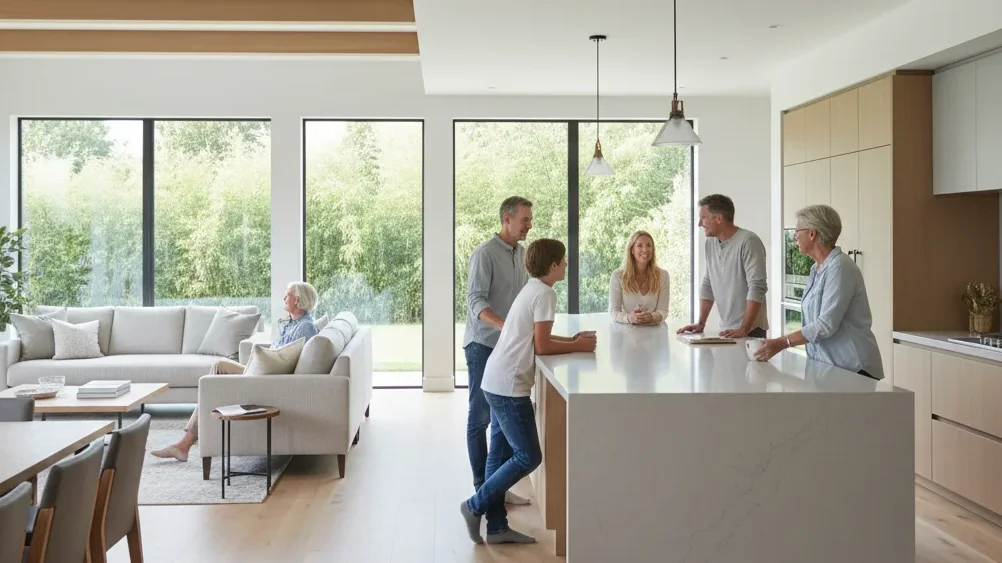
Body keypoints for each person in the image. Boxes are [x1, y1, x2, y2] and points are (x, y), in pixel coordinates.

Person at [459, 238, 597, 545]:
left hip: (496, 381)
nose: (565, 266)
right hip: (508, 386)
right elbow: (542, 345)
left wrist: (571, 339)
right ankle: (474, 506)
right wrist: (577, 345)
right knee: (528, 456)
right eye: (563, 261)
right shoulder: (546, 293)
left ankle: (496, 527)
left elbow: (537, 336)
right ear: (552, 266)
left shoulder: (533, 289)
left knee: (498, 456)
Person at [151, 282, 321, 462]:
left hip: (266, 379)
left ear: (298, 300)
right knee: (218, 368)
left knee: (215, 378)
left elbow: (287, 361)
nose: (284, 298)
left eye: (287, 295)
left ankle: (184, 444)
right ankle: (187, 441)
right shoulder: (295, 323)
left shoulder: (305, 328)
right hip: (262, 371)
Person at [754, 205, 884, 379]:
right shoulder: (817, 268)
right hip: (830, 367)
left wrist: (782, 342)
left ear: (812, 233)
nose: (794, 237)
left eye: (797, 230)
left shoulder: (840, 267)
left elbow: (825, 325)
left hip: (854, 367)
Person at [462, 196, 534, 506]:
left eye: (529, 220)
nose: (529, 225)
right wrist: (503, 324)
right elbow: (475, 301)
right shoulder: (485, 254)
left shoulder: (521, 254)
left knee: (503, 422)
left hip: (507, 349)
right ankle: (483, 488)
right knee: (480, 418)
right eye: (524, 220)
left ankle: (496, 488)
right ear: (507, 219)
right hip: (483, 345)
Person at [677, 194, 769, 338]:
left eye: (703, 218)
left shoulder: (749, 242)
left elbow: (757, 286)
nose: (700, 223)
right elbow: (708, 283)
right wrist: (701, 323)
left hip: (751, 330)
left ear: (718, 218)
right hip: (727, 329)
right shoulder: (710, 243)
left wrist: (744, 329)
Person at [609, 230, 670, 325]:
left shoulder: (663, 275)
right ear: (632, 250)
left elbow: (663, 311)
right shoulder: (618, 276)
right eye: (639, 245)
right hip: (626, 333)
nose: (645, 249)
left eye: (649, 245)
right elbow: (613, 311)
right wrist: (629, 317)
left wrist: (652, 317)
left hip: (655, 333)